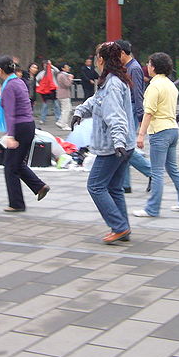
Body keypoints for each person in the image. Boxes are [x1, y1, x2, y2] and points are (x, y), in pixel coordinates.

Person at [71, 42, 135, 244]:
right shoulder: (111, 81)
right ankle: (122, 227)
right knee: (114, 187)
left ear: (101, 59)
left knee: (96, 186)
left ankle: (120, 226)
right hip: (123, 143)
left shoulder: (113, 84)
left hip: (113, 146)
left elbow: (116, 116)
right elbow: (96, 101)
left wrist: (118, 143)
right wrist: (80, 111)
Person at [133, 52, 179, 217]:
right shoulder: (170, 84)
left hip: (160, 131)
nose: (147, 66)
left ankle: (152, 209)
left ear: (154, 67)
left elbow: (149, 113)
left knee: (157, 171)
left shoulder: (154, 86)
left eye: (149, 63)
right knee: (173, 169)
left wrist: (140, 135)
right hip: (173, 129)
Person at [0, 55, 49, 212]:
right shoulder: (18, 82)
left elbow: (10, 113)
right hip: (28, 126)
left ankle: (16, 203)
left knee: (10, 166)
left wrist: (10, 135)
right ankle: (39, 186)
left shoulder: (10, 86)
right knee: (16, 163)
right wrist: (1, 95)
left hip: (19, 127)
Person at [115, 40, 152, 193]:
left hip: (130, 109)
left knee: (127, 148)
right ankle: (125, 184)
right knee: (123, 147)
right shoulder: (127, 67)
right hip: (125, 109)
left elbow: (138, 93)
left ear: (123, 53)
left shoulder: (134, 68)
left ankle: (152, 172)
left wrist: (139, 115)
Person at [36, 60, 61, 126]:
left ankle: (58, 119)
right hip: (45, 91)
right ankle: (42, 119)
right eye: (44, 65)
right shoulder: (41, 73)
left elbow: (58, 71)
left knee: (56, 105)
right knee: (45, 105)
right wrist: (39, 86)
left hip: (53, 89)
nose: (45, 66)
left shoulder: (52, 71)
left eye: (46, 65)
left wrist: (51, 65)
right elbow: (36, 80)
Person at [56, 63, 74, 130]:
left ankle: (61, 121)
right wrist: (70, 79)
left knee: (66, 109)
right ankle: (63, 124)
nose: (68, 67)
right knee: (66, 110)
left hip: (62, 94)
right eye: (67, 67)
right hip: (64, 94)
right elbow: (67, 84)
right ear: (63, 68)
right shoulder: (63, 75)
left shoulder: (60, 75)